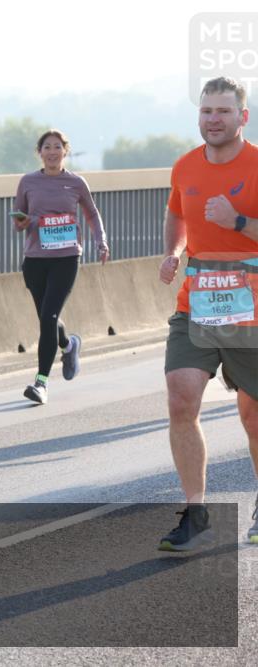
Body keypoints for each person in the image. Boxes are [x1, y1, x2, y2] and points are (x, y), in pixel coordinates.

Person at [157, 76, 258, 551]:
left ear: (243, 116)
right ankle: (195, 514)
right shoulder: (185, 166)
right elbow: (177, 213)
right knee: (181, 398)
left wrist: (237, 221)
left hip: (251, 308)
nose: (212, 119)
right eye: (205, 111)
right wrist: (174, 252)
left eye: (222, 111)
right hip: (197, 302)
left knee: (253, 417)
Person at [11, 129, 109, 405]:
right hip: (35, 260)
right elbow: (18, 219)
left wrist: (101, 241)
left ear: (65, 151)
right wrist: (22, 222)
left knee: (48, 318)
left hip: (66, 258)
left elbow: (91, 213)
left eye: (57, 147)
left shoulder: (76, 183)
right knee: (47, 316)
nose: (52, 152)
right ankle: (69, 345)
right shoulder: (28, 182)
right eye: (47, 147)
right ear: (40, 153)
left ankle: (40, 383)